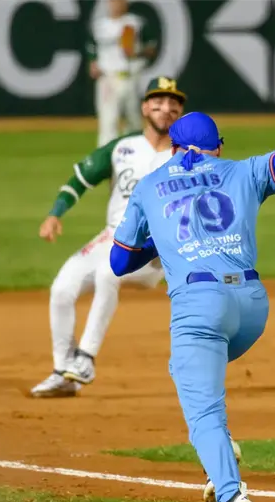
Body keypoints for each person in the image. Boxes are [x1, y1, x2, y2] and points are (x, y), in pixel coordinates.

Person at [110, 112, 275, 502]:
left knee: (201, 406)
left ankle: (231, 498)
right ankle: (219, 452)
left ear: (173, 148)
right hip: (252, 307)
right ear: (217, 146)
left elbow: (118, 262)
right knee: (187, 374)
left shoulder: (150, 185)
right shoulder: (240, 170)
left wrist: (160, 240)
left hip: (200, 308)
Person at [30, 77, 186, 398]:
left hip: (153, 250)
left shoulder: (185, 156)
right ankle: (64, 374)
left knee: (107, 273)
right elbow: (80, 178)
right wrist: (55, 214)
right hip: (111, 239)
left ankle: (85, 357)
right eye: (158, 101)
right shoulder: (122, 148)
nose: (165, 108)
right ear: (144, 107)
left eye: (173, 104)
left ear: (180, 112)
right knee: (62, 289)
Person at [87, 0, 159, 146]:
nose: (116, 4)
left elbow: (152, 47)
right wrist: (93, 63)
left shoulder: (136, 23)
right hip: (107, 78)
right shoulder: (99, 25)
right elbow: (92, 48)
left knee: (133, 121)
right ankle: (107, 160)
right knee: (108, 121)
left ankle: (134, 157)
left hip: (129, 77)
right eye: (113, 1)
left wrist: (136, 52)